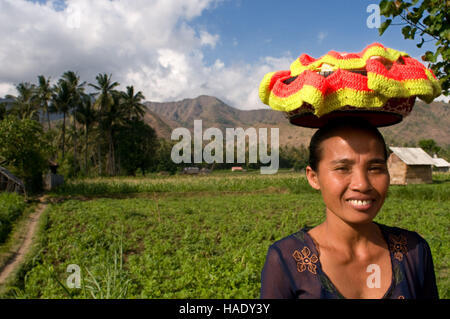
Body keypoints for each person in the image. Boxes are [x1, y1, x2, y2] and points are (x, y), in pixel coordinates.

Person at [260, 118, 439, 299]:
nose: (362, 184)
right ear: (313, 177)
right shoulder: (285, 259)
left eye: (375, 168)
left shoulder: (413, 251)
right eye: (342, 168)